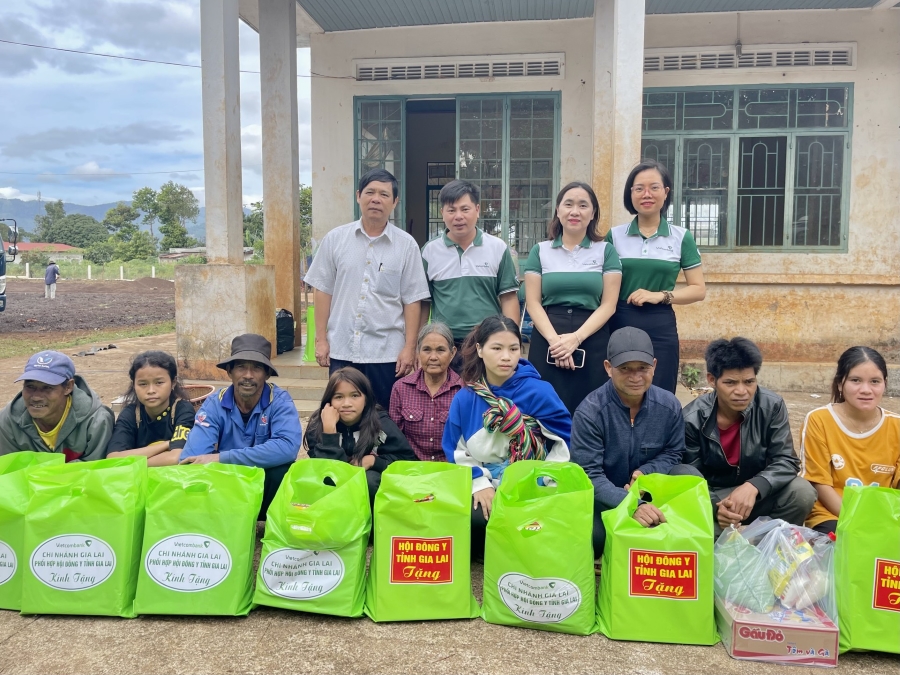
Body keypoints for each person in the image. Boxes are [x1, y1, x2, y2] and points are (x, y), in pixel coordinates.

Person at [442, 315, 572, 559]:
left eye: (513, 349)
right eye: (497, 348)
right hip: (488, 479)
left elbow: (565, 441)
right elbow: (456, 449)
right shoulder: (466, 398)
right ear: (480, 350)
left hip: (535, 480)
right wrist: (479, 484)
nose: (506, 357)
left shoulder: (540, 392)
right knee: (475, 518)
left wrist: (543, 481)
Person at [570, 327, 702, 557]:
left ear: (654, 365)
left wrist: (645, 473)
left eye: (643, 368)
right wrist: (632, 505)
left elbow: (673, 452)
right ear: (608, 368)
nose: (635, 377)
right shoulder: (590, 412)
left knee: (689, 475)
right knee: (594, 537)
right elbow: (589, 474)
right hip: (605, 498)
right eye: (625, 369)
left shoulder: (668, 405)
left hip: (651, 490)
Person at [305, 168, 430, 409]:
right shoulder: (335, 239)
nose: (376, 199)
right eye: (370, 192)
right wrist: (321, 340)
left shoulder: (406, 246)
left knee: (384, 415)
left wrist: (409, 347)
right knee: (343, 413)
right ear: (358, 196)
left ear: (395, 202)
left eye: (384, 194)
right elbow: (323, 290)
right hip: (342, 348)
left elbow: (412, 300)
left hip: (387, 353)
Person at [683, 338, 816, 535]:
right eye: (730, 382)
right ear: (712, 380)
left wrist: (754, 486)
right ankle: (731, 535)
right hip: (716, 497)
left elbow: (786, 460)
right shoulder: (692, 418)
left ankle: (769, 541)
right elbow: (691, 475)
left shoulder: (771, 406)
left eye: (749, 382)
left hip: (759, 492)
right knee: (695, 527)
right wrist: (715, 507)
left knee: (802, 492)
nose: (741, 391)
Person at [606, 160, 706, 393]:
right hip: (619, 319)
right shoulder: (615, 236)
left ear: (666, 192)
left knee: (660, 390)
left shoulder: (681, 237)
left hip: (660, 323)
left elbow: (698, 289)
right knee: (619, 390)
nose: (646, 194)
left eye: (654, 187)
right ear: (630, 193)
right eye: (639, 188)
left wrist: (660, 295)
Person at [524, 181, 622, 415]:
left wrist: (575, 339)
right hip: (548, 336)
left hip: (591, 337)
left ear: (593, 213)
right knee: (543, 409)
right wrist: (557, 344)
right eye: (568, 204)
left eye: (583, 205)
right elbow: (533, 302)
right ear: (558, 211)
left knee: (592, 410)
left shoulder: (606, 251)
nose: (575, 211)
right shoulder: (540, 251)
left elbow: (609, 305)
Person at [180, 334, 301, 519]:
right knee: (195, 471)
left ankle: (267, 523)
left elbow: (287, 448)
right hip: (225, 488)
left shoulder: (279, 401)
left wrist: (221, 458)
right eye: (241, 367)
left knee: (282, 471)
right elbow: (191, 457)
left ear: (267, 374)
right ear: (229, 371)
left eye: (257, 368)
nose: (248, 375)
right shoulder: (214, 403)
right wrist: (215, 463)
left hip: (263, 486)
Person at [420, 180, 520, 371]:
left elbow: (508, 298)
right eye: (451, 210)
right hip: (445, 344)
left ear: (477, 209)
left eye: (465, 209)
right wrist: (419, 345)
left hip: (488, 341)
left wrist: (511, 342)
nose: (458, 216)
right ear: (442, 213)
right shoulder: (429, 251)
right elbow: (423, 303)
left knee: (486, 389)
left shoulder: (497, 248)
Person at [800, 346, 900, 535]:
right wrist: (858, 520)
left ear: (885, 384)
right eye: (855, 380)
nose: (866, 390)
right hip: (832, 515)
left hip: (882, 516)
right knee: (844, 544)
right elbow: (819, 482)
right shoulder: (819, 420)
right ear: (840, 383)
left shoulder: (896, 425)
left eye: (875, 381)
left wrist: (884, 520)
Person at [304, 366, 417, 504]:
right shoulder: (317, 427)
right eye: (338, 397)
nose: (347, 404)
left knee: (369, 480)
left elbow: (406, 460)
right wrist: (329, 434)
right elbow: (325, 472)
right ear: (329, 401)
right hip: (332, 498)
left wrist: (374, 461)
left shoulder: (381, 424)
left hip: (371, 499)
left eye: (355, 395)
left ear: (366, 399)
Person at [0, 350, 114, 461]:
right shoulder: (8, 420)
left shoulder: (96, 421)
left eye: (47, 387)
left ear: (68, 387)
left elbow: (97, 469)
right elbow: (10, 467)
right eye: (30, 387)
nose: (36, 397)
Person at [106, 350, 195, 467]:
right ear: (134, 385)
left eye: (159, 382)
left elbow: (175, 457)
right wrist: (167, 444)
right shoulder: (131, 414)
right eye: (143, 384)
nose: (151, 390)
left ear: (173, 382)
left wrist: (130, 464)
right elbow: (112, 458)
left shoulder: (182, 410)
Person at [389, 322, 462, 462]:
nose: (433, 357)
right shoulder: (401, 388)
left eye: (440, 350)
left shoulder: (463, 391)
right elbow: (395, 439)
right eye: (427, 350)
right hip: (411, 467)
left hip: (451, 467)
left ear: (452, 353)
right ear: (418, 352)